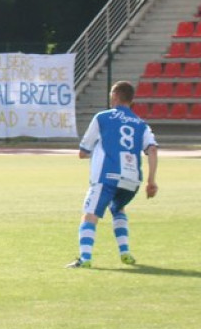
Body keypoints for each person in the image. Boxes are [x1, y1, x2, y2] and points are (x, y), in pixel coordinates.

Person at [67, 81, 158, 269]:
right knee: (118, 208)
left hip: (107, 176)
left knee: (90, 215)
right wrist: (151, 181)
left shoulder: (102, 118)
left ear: (115, 96)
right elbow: (153, 150)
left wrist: (89, 153)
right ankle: (125, 253)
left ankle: (85, 259)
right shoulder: (141, 124)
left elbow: (83, 151)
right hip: (132, 180)